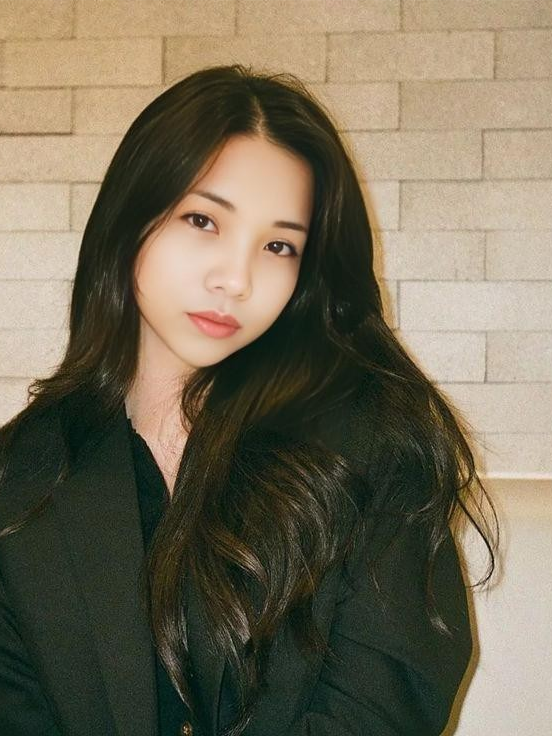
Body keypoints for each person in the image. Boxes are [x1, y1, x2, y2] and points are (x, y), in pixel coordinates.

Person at [0, 64, 498, 736]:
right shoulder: (24, 476)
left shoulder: (373, 443)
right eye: (202, 220)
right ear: (129, 220)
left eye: (278, 245)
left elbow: (384, 707)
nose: (235, 278)